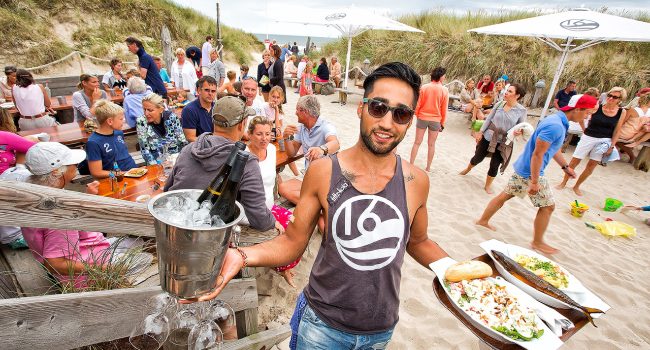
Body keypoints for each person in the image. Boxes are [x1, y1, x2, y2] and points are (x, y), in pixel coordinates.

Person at [191, 63, 451, 350]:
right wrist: (241, 255)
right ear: (360, 108)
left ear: (410, 121)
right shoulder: (324, 172)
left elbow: (419, 241)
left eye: (401, 113)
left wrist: (457, 269)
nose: (388, 123)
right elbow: (292, 241)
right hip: (322, 326)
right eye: (378, 107)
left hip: (380, 329)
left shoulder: (416, 181)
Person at [477, 94, 598, 254]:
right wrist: (534, 181)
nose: (587, 117)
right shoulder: (555, 125)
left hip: (526, 168)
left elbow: (551, 149)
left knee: (505, 195)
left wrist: (565, 167)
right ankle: (537, 242)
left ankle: (483, 220)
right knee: (548, 207)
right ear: (577, 109)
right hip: (531, 171)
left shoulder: (558, 121)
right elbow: (537, 154)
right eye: (587, 113)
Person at [165, 96, 275, 231]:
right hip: (212, 236)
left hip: (174, 225)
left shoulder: (188, 149)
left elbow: (167, 190)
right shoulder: (246, 162)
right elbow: (260, 219)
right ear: (242, 124)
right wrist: (274, 224)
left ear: (214, 121)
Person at [21, 141, 110, 288]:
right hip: (85, 277)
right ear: (57, 171)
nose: (76, 166)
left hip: (82, 255)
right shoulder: (60, 214)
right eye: (72, 163)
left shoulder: (34, 192)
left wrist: (86, 199)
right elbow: (56, 263)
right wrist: (102, 270)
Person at [245, 116, 298, 286]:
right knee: (283, 232)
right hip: (253, 212)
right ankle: (284, 268)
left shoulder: (272, 150)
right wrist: (272, 220)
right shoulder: (244, 157)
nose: (264, 138)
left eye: (268, 133)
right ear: (249, 135)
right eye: (259, 134)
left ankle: (284, 266)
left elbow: (273, 178)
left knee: (296, 224)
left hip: (270, 206)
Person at [557, 87, 626, 195]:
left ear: (620, 99)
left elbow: (617, 130)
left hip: (604, 140)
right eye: (609, 95)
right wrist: (584, 129)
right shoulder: (597, 106)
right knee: (575, 161)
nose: (611, 98)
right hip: (589, 136)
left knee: (591, 165)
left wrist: (612, 146)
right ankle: (563, 182)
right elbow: (581, 115)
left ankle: (576, 186)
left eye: (614, 97)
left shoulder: (622, 112)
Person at [459, 84, 528, 194]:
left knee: (495, 164)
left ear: (517, 95)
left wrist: (518, 132)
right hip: (489, 136)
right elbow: (489, 119)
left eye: (510, 91)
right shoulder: (500, 104)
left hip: (504, 141)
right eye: (507, 90)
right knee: (478, 157)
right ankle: (468, 169)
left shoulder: (521, 111)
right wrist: (480, 132)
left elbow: (521, 127)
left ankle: (487, 186)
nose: (506, 93)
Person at [278, 95, 340, 205]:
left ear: (305, 111)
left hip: (326, 179)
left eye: (297, 109)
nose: (295, 112)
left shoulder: (326, 126)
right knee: (282, 187)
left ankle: (315, 204)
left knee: (291, 192)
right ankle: (317, 204)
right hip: (309, 178)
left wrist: (322, 149)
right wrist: (286, 138)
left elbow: (335, 144)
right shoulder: (301, 128)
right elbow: (291, 154)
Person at [84, 100, 136, 179]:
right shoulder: (93, 143)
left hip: (133, 172)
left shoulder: (119, 133)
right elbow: (96, 172)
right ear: (110, 121)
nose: (124, 120)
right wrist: (122, 173)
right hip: (115, 180)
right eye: (121, 119)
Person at [409, 66, 448, 172]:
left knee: (417, 142)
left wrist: (416, 115)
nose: (444, 77)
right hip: (435, 120)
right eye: (444, 75)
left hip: (422, 117)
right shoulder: (444, 90)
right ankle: (428, 167)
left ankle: (411, 164)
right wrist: (442, 123)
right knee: (431, 144)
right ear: (440, 76)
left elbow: (418, 103)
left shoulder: (424, 87)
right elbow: (444, 109)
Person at [136, 93, 187, 165]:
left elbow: (183, 142)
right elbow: (145, 150)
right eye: (144, 109)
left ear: (161, 109)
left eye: (150, 110)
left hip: (176, 161)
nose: (146, 113)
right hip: (156, 163)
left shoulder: (172, 118)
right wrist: (157, 166)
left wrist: (178, 161)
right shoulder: (141, 122)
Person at [182, 76, 218, 142]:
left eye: (213, 91)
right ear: (199, 90)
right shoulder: (189, 110)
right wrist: (212, 143)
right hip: (199, 149)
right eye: (207, 90)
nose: (210, 93)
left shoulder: (218, 107)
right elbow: (190, 137)